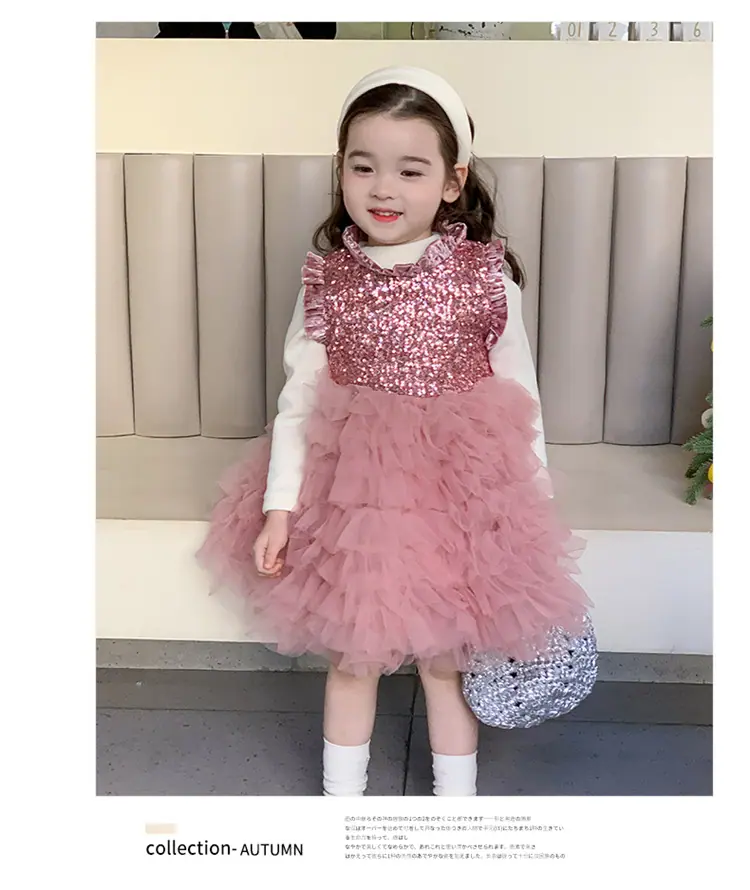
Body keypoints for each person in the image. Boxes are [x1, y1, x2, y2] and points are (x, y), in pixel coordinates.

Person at [197, 66, 590, 797]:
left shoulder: (485, 276)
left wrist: (528, 514)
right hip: (356, 501)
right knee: (355, 656)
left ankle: (454, 809)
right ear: (340, 169)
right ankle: (341, 805)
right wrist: (280, 508)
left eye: (411, 170)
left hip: (456, 495)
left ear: (452, 181)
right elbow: (299, 398)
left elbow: (521, 397)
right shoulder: (329, 279)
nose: (384, 188)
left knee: (445, 661)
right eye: (363, 166)